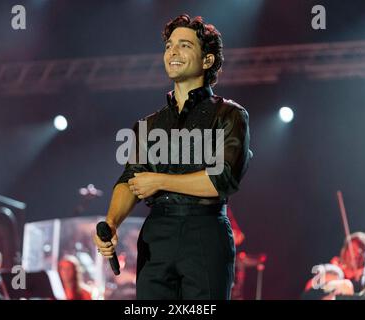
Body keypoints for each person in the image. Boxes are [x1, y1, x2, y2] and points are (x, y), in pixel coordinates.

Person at [94, 14, 251, 300]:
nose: (173, 52)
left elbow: (222, 179)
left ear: (207, 60)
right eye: (168, 46)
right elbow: (130, 178)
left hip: (205, 230)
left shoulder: (229, 115)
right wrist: (112, 222)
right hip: (157, 234)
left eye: (184, 45)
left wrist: (159, 181)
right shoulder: (149, 125)